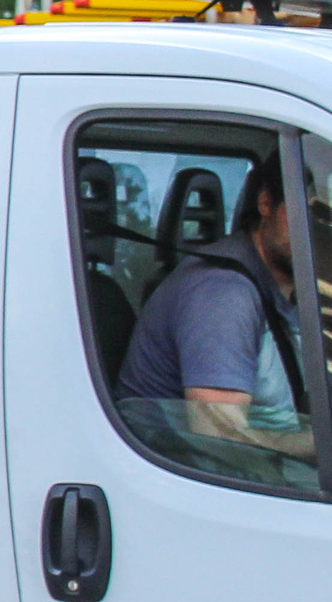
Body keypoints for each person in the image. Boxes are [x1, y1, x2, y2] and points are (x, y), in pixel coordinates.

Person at [115, 157, 310, 464]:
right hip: (189, 482)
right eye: (311, 211)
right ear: (266, 203)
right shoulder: (222, 293)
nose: (323, 232)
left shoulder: (293, 288)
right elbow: (221, 440)